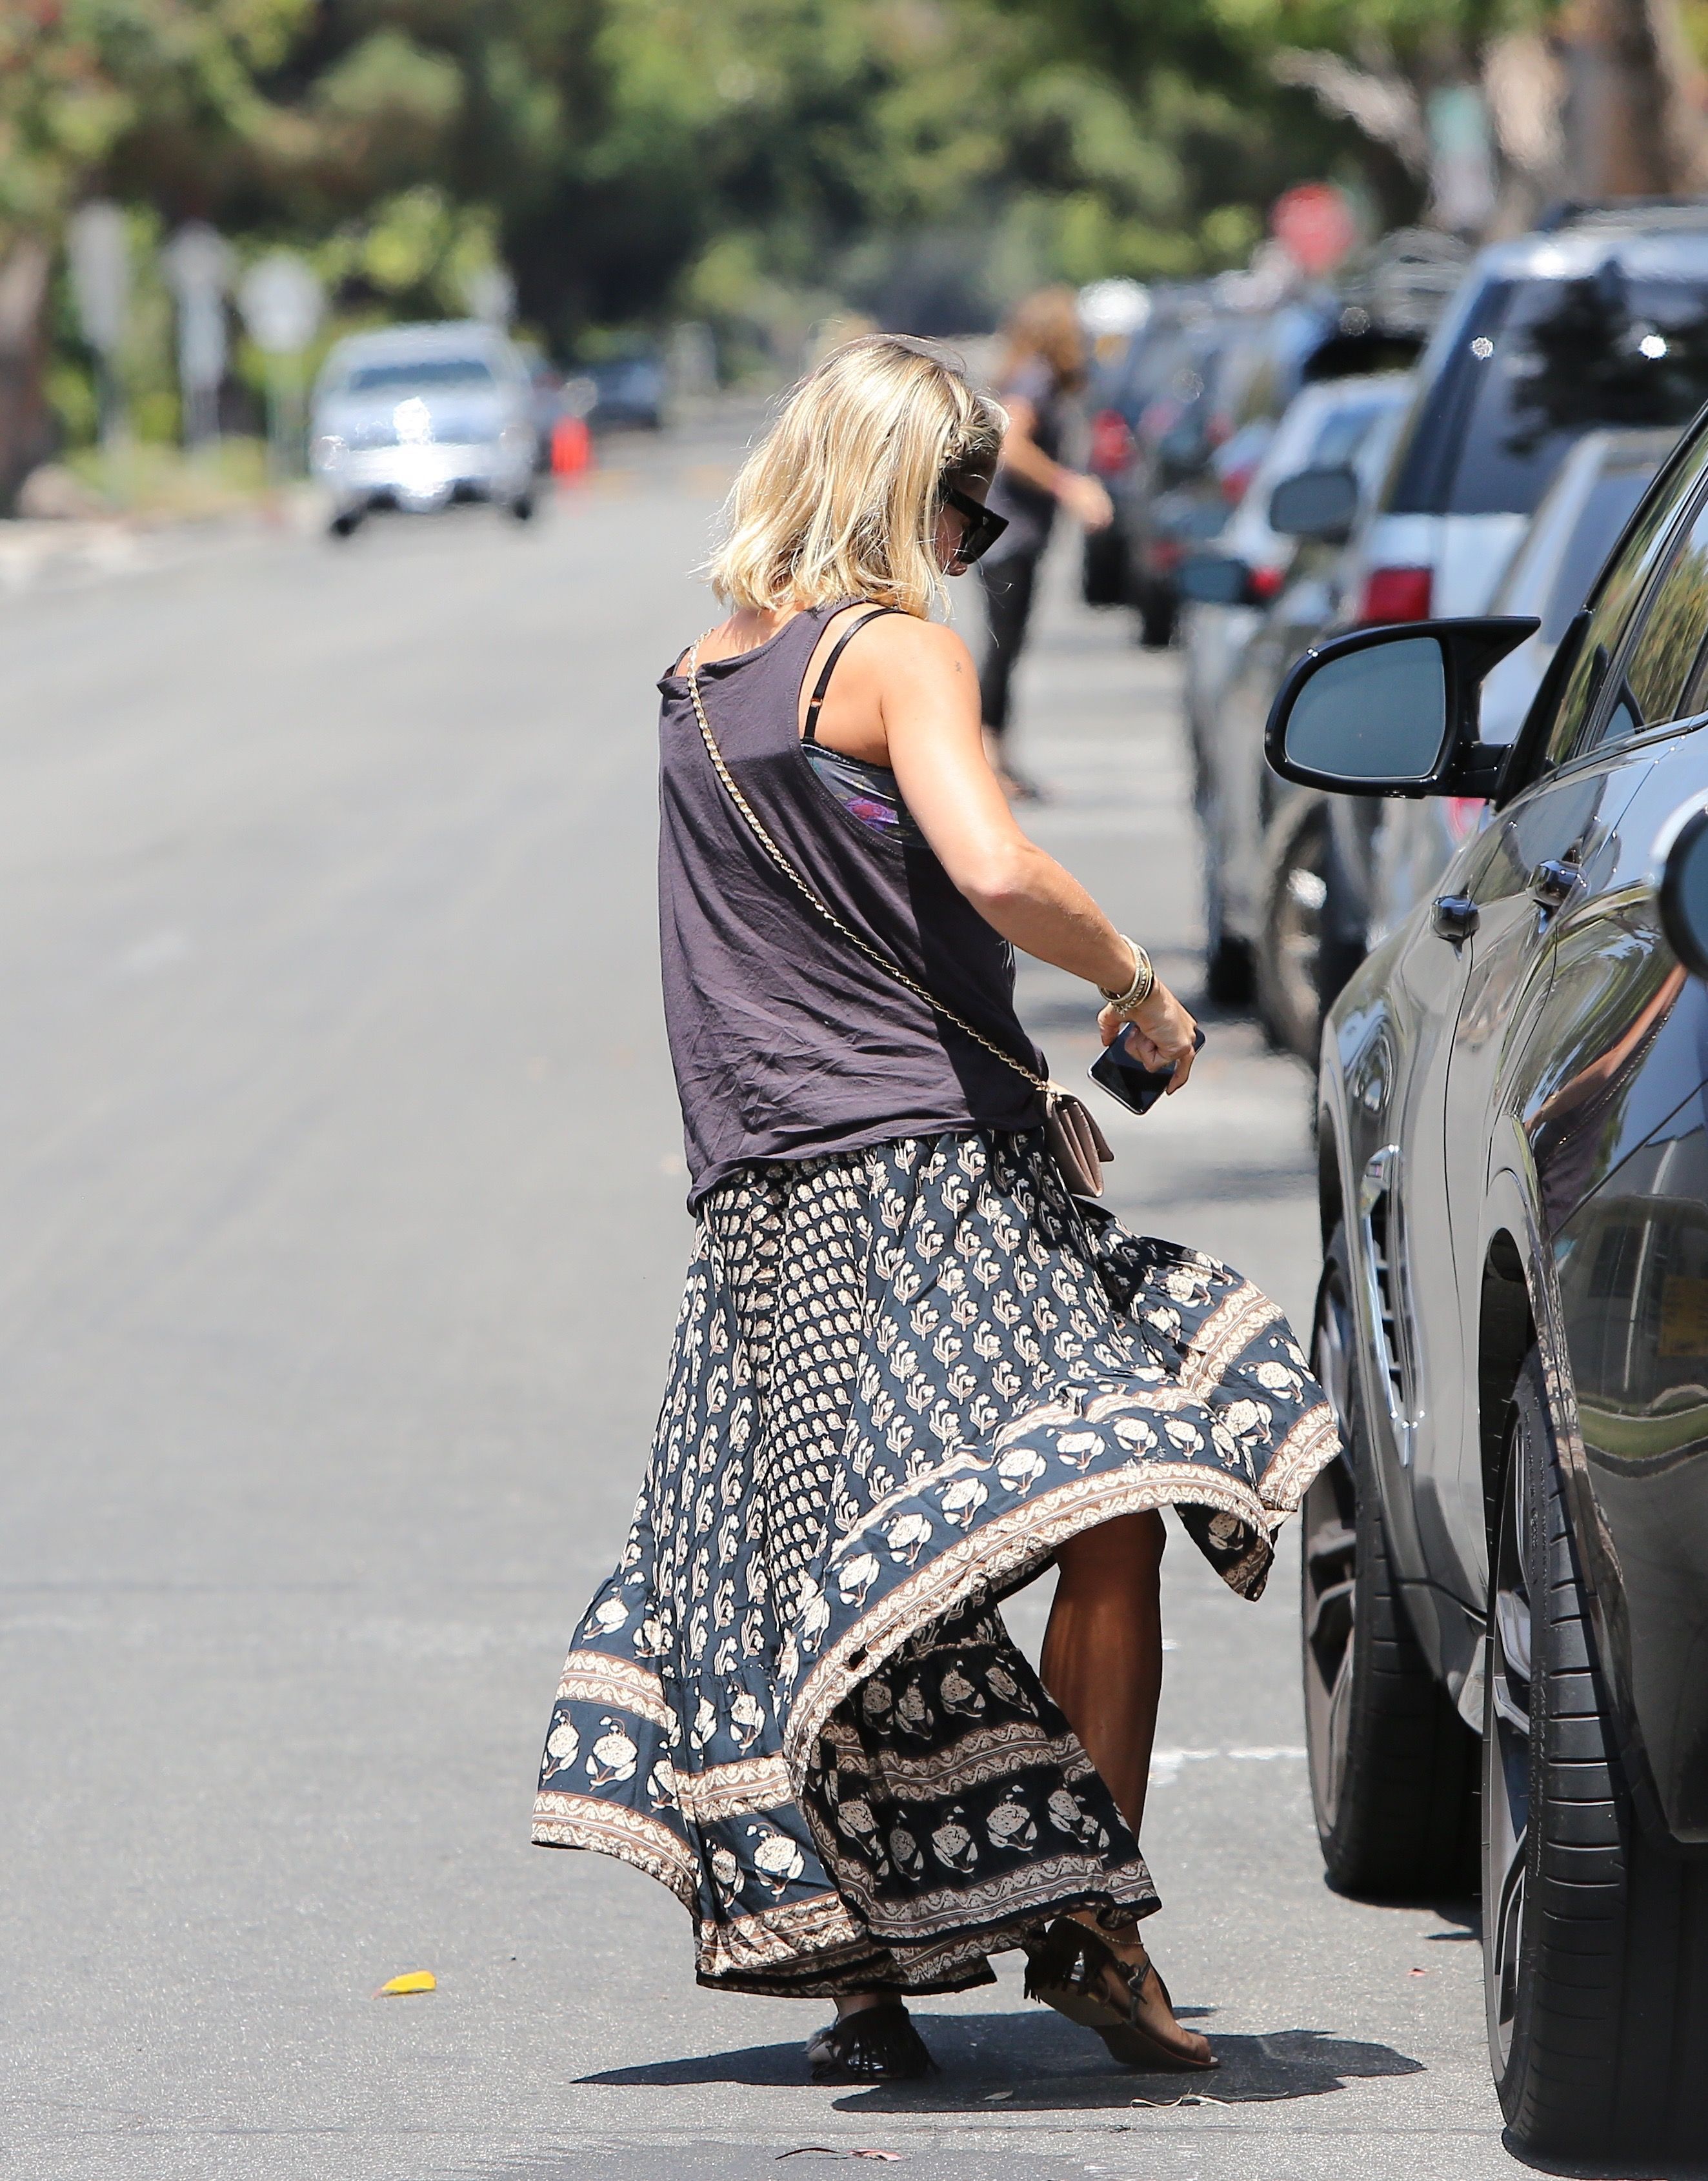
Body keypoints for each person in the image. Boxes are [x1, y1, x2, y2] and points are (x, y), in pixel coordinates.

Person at [532, 335, 1336, 2086]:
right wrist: (1135, 981)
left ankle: (857, 1977)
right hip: (929, 1177)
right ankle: (1091, 1930)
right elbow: (985, 864)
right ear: (906, 494)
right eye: (966, 509)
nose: (974, 543)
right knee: (1118, 1490)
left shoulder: (697, 677)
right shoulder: (888, 649)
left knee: (835, 1570)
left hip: (760, 1200)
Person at [977, 288, 1115, 799]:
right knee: (1001, 646)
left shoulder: (1037, 377)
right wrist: (1068, 486)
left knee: (1009, 646)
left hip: (1018, 534)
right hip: (1007, 536)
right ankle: (987, 757)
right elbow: (1010, 443)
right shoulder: (1034, 378)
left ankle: (998, 755)